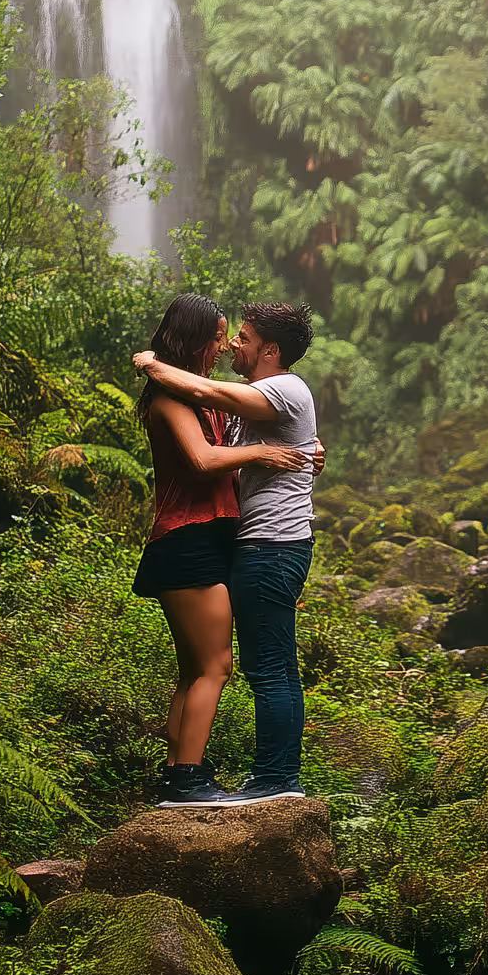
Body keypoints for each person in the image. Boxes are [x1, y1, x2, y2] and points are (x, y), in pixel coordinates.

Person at [133, 300, 320, 805]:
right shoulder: (175, 399)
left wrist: (303, 449)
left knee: (218, 667)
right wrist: (268, 452)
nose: (228, 344)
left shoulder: (263, 392)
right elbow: (204, 458)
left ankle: (195, 773)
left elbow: (222, 407)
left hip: (242, 543)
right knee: (215, 666)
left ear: (270, 349)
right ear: (195, 340)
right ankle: (187, 777)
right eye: (219, 336)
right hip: (192, 541)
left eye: (238, 336)